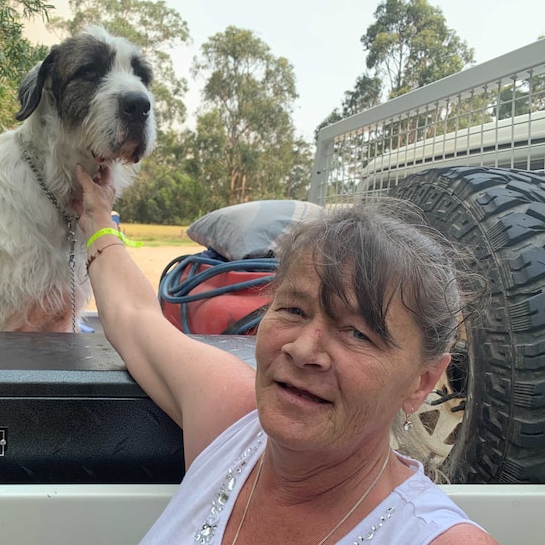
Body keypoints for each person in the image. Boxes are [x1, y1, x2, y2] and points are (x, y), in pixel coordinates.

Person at [73, 164, 498, 545]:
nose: (302, 349)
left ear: (421, 382)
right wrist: (95, 214)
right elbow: (133, 317)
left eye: (357, 333)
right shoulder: (234, 422)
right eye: (294, 309)